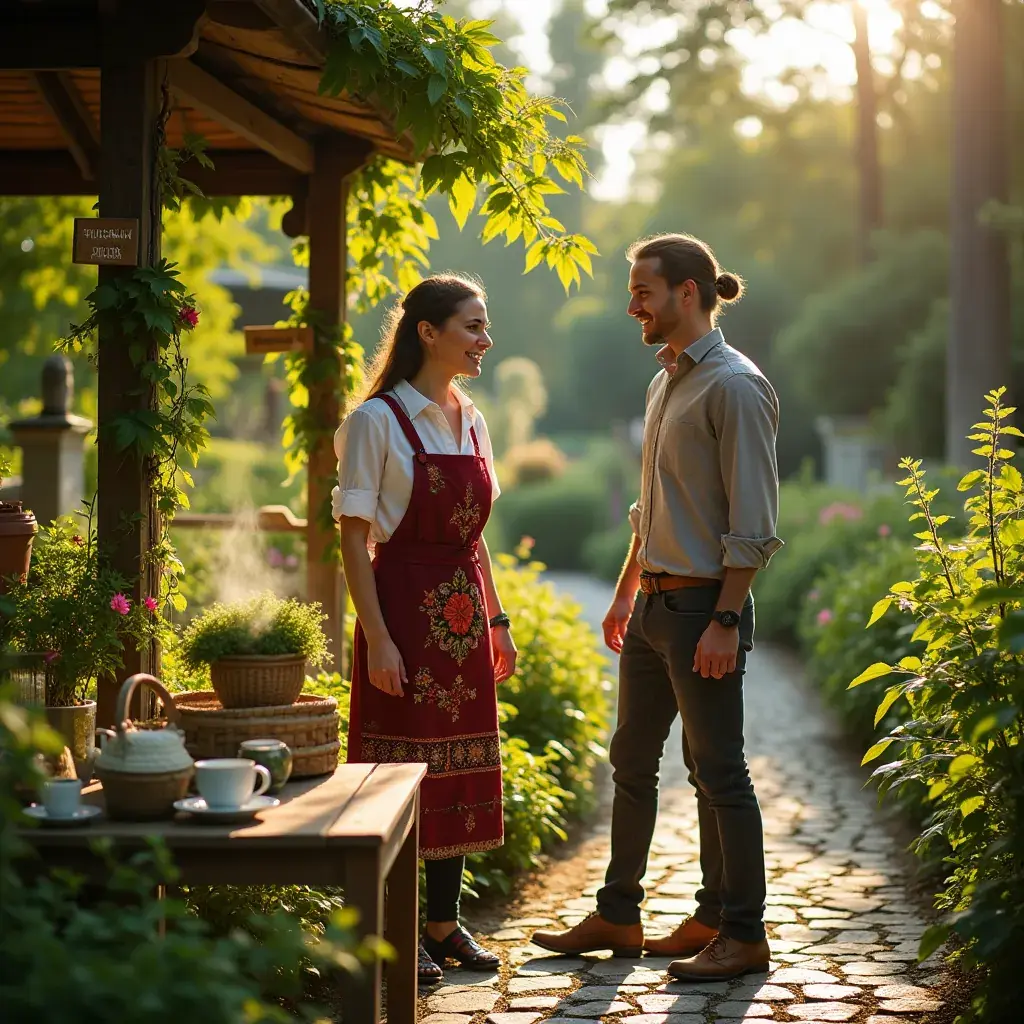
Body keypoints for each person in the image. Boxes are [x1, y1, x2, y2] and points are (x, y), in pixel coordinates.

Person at [531, 233, 783, 981]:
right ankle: (621, 912)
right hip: (652, 606)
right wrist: (623, 592)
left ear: (687, 292)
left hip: (706, 607)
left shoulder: (733, 386)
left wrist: (727, 618)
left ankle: (742, 931)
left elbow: (754, 522)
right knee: (632, 761)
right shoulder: (666, 379)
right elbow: (653, 507)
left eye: (643, 289)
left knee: (719, 772)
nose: (631, 303)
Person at [333, 274, 517, 986]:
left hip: (464, 617)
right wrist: (376, 636)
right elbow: (353, 538)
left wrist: (496, 618)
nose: (484, 340)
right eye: (472, 326)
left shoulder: (472, 418)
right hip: (401, 613)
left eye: (484, 325)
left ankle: (443, 924)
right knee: (395, 773)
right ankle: (391, 932)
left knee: (455, 768)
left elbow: (474, 540)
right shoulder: (376, 420)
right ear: (428, 333)